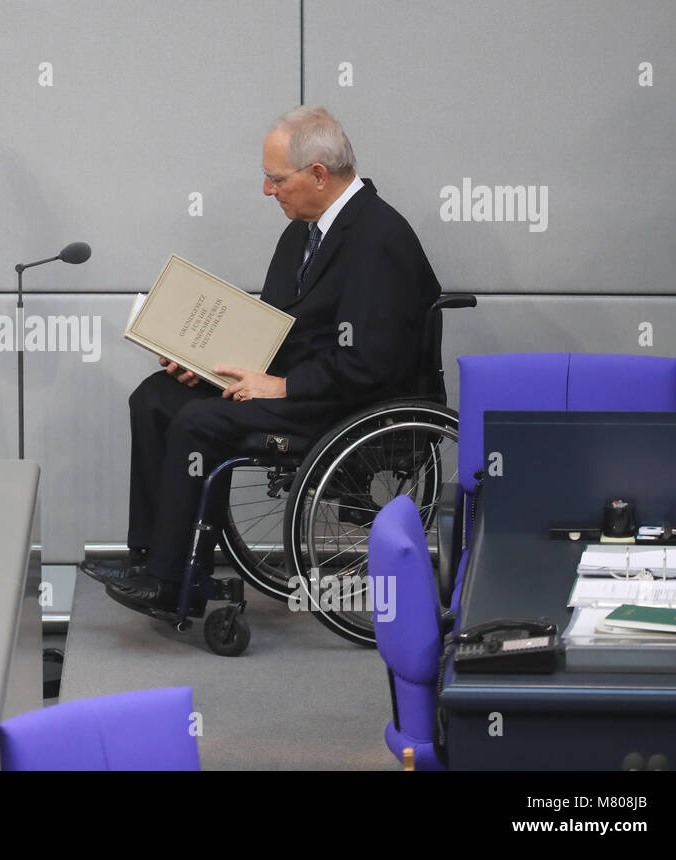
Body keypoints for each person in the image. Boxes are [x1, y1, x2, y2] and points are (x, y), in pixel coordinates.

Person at [84, 106, 440, 614]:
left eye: (276, 180)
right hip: (302, 378)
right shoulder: (303, 230)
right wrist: (205, 363)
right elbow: (277, 328)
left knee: (198, 421)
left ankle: (172, 580)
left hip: (350, 400)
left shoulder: (378, 239)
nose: (268, 191)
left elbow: (369, 363)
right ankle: (148, 556)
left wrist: (283, 387)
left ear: (318, 174)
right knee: (156, 396)